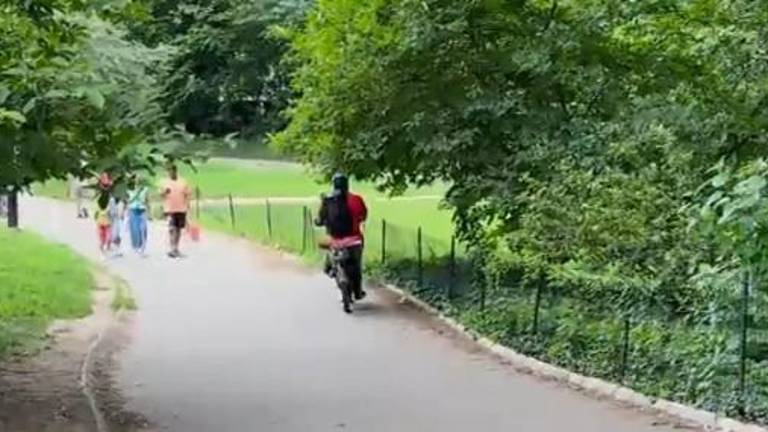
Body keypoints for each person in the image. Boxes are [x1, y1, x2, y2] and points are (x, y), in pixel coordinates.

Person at [316, 173, 368, 300]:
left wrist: (319, 222)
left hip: (335, 240)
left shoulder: (328, 200)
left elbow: (320, 219)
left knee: (327, 251)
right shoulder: (356, 199)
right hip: (354, 240)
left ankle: (331, 269)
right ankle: (358, 291)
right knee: (357, 265)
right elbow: (364, 216)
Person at [160, 163, 191, 258]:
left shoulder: (183, 182)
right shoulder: (164, 182)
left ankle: (176, 248)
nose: (171, 173)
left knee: (178, 229)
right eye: (169, 171)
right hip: (170, 209)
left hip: (181, 209)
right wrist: (164, 192)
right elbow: (160, 195)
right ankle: (172, 248)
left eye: (172, 171)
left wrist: (188, 207)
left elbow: (187, 195)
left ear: (175, 171)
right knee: (172, 228)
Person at [127, 175, 150, 255]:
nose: (137, 182)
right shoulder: (129, 190)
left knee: (143, 230)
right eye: (135, 180)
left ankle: (142, 248)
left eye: (139, 180)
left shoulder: (145, 189)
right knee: (135, 230)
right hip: (133, 210)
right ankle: (136, 246)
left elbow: (147, 200)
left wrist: (149, 212)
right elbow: (128, 201)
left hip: (142, 210)